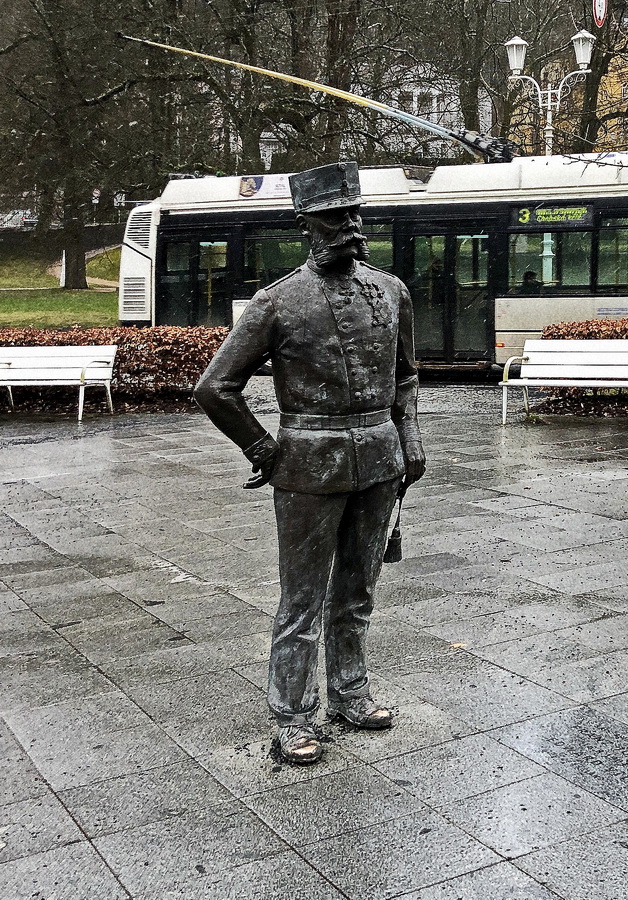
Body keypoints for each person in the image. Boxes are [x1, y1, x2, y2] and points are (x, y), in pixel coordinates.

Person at [194, 161, 426, 766]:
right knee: (302, 600)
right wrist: (263, 448)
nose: (349, 226)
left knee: (358, 590)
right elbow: (216, 387)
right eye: (333, 216)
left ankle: (349, 692)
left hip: (380, 459)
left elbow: (405, 378)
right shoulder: (277, 303)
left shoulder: (393, 291)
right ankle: (292, 715)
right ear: (307, 223)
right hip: (308, 464)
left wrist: (412, 440)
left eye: (354, 214)